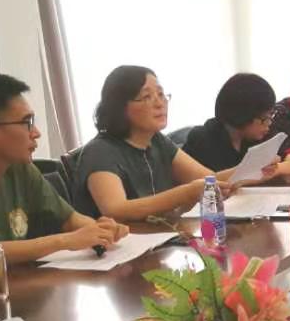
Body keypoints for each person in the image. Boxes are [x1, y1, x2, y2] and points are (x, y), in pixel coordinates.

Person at [0, 72, 129, 265]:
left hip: (17, 283)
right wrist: (65, 241)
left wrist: (100, 230)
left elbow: (69, 219)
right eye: (27, 123)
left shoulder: (20, 168)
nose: (36, 133)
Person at [72, 66, 236, 222]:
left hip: (162, 235)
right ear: (119, 107)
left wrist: (250, 170)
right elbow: (116, 210)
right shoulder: (100, 151)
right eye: (147, 97)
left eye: (161, 94)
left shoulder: (156, 140)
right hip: (124, 240)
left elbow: (209, 179)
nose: (160, 103)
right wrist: (187, 193)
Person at [181, 73, 290, 180]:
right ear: (243, 114)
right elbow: (211, 183)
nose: (269, 123)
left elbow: (289, 163)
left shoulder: (254, 138)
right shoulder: (204, 139)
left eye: (271, 115)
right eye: (264, 119)